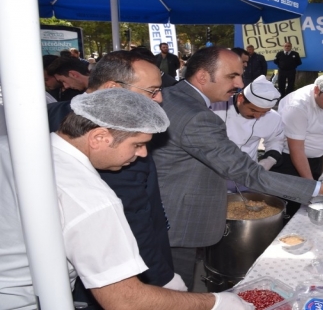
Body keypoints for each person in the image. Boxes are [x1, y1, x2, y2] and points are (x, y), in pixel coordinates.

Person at [0, 88, 253, 309]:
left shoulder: (11, 146)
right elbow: (126, 301)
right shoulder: (90, 198)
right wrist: (216, 303)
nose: (143, 154)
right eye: (137, 144)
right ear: (99, 137)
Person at [151, 47, 323, 289]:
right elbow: (250, 174)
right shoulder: (198, 116)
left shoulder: (170, 95)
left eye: (240, 75)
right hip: (178, 219)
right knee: (175, 291)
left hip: (164, 206)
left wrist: (269, 159)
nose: (239, 83)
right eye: (232, 76)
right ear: (203, 76)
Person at [46, 51, 180, 308]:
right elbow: (132, 217)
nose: (160, 98)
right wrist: (162, 279)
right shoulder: (110, 154)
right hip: (110, 275)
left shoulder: (52, 114)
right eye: (152, 91)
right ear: (112, 89)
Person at [210, 75, 284, 170]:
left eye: (264, 112)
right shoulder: (215, 107)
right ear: (241, 98)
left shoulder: (273, 118)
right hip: (211, 168)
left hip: (247, 170)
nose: (257, 116)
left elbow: (275, 140)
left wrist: (270, 160)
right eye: (253, 110)